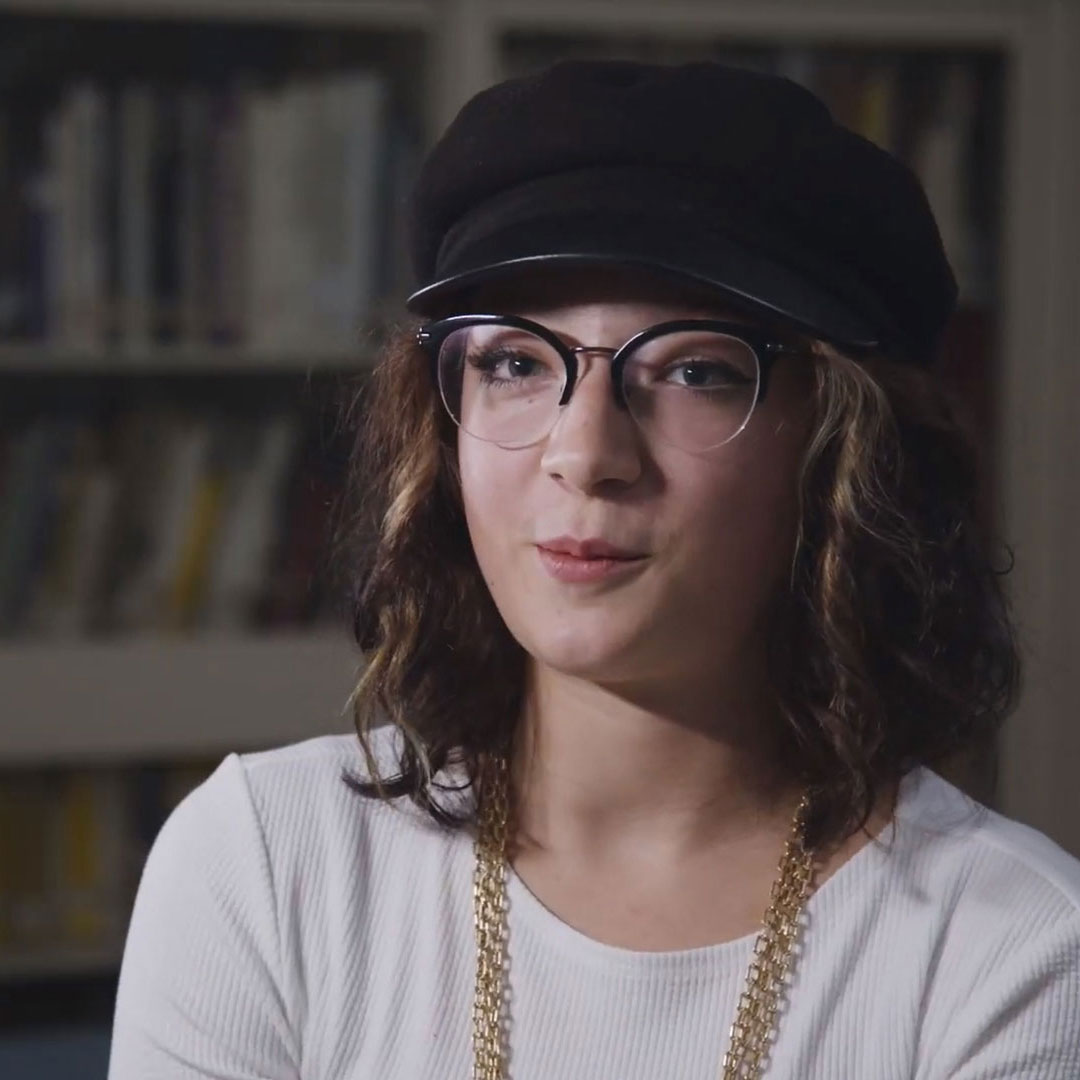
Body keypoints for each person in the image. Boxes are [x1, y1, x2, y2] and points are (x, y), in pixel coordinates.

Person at [107, 59, 1080, 1079]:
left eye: (695, 371)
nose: (585, 453)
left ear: (841, 447)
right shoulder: (269, 865)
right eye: (515, 363)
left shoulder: (1012, 955)